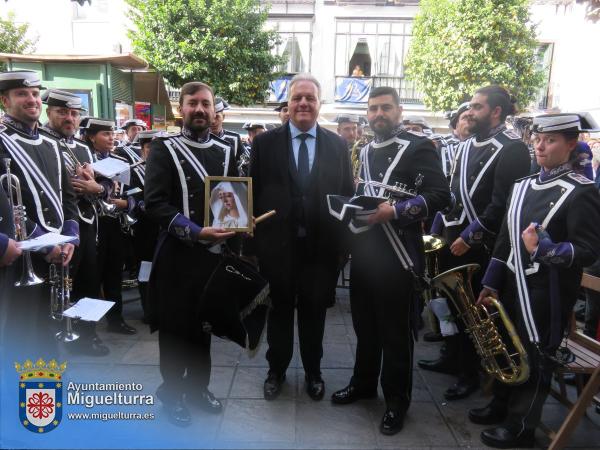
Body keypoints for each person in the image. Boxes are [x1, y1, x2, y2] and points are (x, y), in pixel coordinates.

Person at [471, 113, 600, 448]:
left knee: (534, 354)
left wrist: (545, 250)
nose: (541, 145)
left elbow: (588, 250)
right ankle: (500, 405)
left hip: (548, 293)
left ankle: (521, 425)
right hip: (512, 285)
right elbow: (504, 239)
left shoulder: (581, 191)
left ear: (571, 145)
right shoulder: (522, 185)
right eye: (538, 138)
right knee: (505, 348)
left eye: (551, 140)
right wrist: (491, 282)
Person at [330, 86, 450, 435]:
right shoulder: (364, 150)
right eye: (372, 109)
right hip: (366, 252)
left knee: (396, 334)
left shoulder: (419, 146)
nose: (378, 114)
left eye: (385, 108)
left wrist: (396, 210)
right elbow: (366, 193)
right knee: (365, 327)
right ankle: (363, 384)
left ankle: (397, 401)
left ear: (399, 110)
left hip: (399, 254)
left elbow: (441, 195)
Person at [419, 86, 531, 401]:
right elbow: (452, 194)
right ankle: (450, 357)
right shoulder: (467, 145)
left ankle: (469, 373)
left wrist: (469, 237)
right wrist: (439, 233)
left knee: (473, 313)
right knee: (450, 306)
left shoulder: (512, 149)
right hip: (452, 238)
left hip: (482, 245)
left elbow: (504, 205)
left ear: (496, 112)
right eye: (470, 106)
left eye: (477, 107)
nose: (469, 112)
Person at [249, 73, 354, 402]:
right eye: (297, 98)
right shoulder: (264, 144)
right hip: (276, 249)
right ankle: (276, 371)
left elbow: (347, 195)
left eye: (310, 98)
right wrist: (252, 248)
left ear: (319, 104)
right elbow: (251, 194)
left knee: (314, 315)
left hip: (320, 251)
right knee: (278, 313)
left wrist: (342, 250)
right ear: (288, 104)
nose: (304, 103)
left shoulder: (338, 145)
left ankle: (313, 372)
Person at [144, 81, 237, 425]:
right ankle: (172, 393)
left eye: (206, 104)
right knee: (174, 331)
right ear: (179, 109)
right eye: (192, 103)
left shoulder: (228, 150)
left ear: (214, 110)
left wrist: (239, 224)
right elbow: (154, 205)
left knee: (203, 328)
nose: (199, 109)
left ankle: (198, 389)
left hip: (212, 257)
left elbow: (232, 200)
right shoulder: (163, 148)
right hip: (176, 257)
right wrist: (195, 231)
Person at [0, 70, 79, 358]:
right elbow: (7, 204)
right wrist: (47, 243)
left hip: (56, 253)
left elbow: (67, 198)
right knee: (19, 338)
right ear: (4, 101)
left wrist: (71, 239)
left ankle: (45, 397)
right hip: (18, 258)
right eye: (22, 94)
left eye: (35, 94)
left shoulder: (52, 143)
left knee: (48, 337)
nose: (32, 99)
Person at [41, 89, 111, 356]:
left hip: (87, 223)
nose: (70, 118)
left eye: (74, 113)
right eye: (63, 112)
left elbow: (104, 184)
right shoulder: (42, 140)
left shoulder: (83, 147)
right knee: (57, 285)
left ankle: (86, 336)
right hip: (58, 225)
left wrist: (94, 186)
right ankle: (55, 337)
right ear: (50, 113)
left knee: (88, 283)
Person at [83, 118, 137, 335]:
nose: (111, 138)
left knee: (114, 273)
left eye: (113, 133)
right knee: (91, 278)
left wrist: (126, 203)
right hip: (93, 223)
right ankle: (89, 329)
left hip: (114, 222)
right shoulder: (84, 159)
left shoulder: (118, 160)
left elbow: (131, 191)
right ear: (91, 137)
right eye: (105, 134)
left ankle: (116, 320)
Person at [210, 97, 246, 173]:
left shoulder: (234, 138)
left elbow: (245, 164)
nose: (213, 121)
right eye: (210, 118)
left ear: (223, 117)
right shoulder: (200, 139)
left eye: (217, 117)